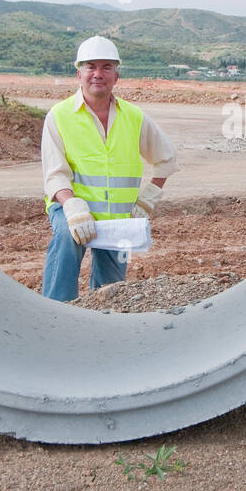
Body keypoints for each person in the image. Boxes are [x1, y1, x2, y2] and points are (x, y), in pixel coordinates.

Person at [41, 36, 178, 302]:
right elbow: (54, 174)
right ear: (78, 73)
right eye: (90, 66)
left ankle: (103, 324)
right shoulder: (59, 116)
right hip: (72, 210)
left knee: (112, 293)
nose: (98, 74)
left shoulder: (134, 117)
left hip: (117, 216)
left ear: (117, 75)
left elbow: (167, 158)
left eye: (106, 67)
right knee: (67, 242)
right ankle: (56, 312)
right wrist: (71, 206)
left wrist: (149, 197)